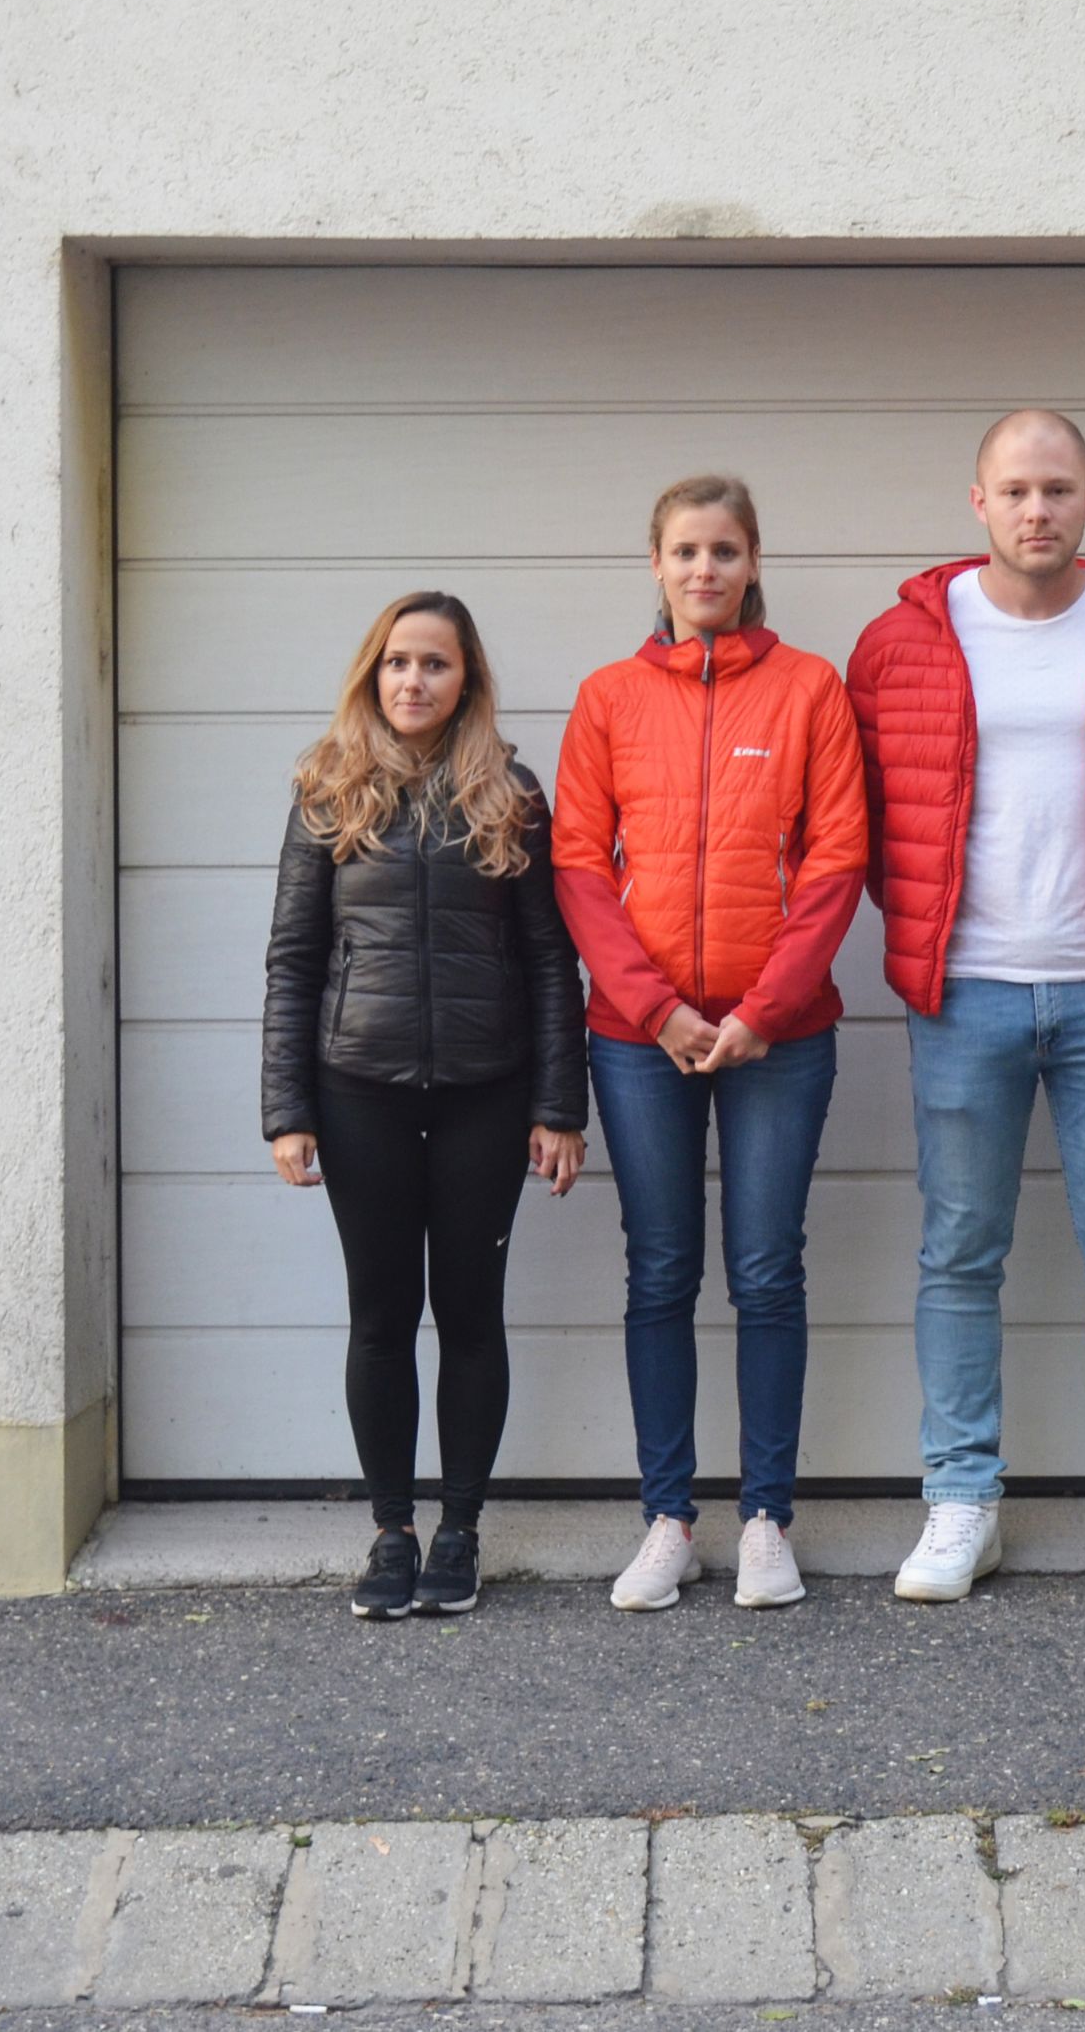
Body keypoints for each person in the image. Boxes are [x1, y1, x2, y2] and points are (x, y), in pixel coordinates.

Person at [847, 409, 1085, 1606]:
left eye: (1057, 489)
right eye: (1015, 489)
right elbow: (866, 818)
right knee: (961, 1251)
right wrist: (933, 929)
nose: (1036, 509)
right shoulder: (899, 644)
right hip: (963, 991)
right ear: (978, 501)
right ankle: (961, 1499)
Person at [552, 474, 869, 1612]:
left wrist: (760, 1012)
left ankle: (768, 1519)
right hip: (641, 1040)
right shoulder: (607, 698)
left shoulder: (809, 690)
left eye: (723, 551)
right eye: (685, 551)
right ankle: (670, 1519)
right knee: (661, 1271)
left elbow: (837, 861)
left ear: (752, 562)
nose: (704, 570)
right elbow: (579, 865)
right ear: (656, 564)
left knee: (767, 1270)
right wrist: (658, 1010)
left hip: (778, 1038)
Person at [261, 592, 590, 1622]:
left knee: (471, 1313)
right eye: (398, 662)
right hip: (356, 1090)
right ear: (374, 673)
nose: (414, 680)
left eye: (435, 664)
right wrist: (286, 1108)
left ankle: (459, 1530)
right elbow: (292, 959)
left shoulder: (510, 796)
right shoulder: (327, 791)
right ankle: (392, 1532)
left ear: (465, 679)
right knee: (380, 1316)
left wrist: (560, 1104)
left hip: (486, 1095)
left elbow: (550, 959)